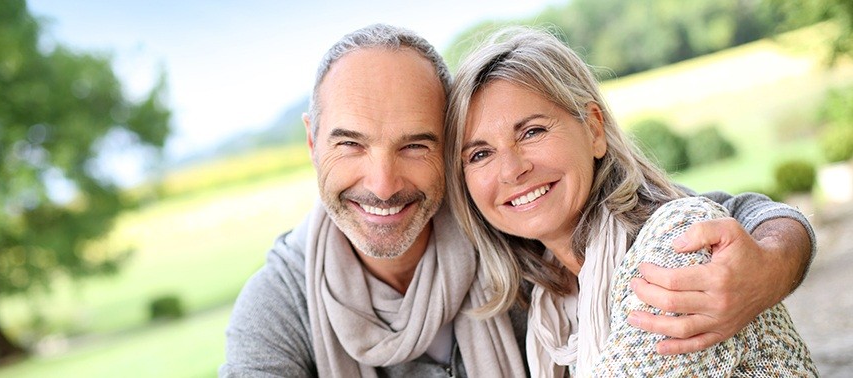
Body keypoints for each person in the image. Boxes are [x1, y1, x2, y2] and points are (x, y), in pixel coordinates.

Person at [221, 24, 815, 377]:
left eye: (416, 144)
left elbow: (727, 216)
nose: (381, 182)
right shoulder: (284, 302)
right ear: (310, 140)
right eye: (350, 143)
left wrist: (771, 263)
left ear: (595, 128)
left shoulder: (520, 242)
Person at [444, 26, 817, 376]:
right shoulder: (539, 297)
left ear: (593, 129)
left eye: (532, 131)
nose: (511, 170)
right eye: (479, 154)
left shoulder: (673, 251)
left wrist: (776, 257)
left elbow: (728, 212)